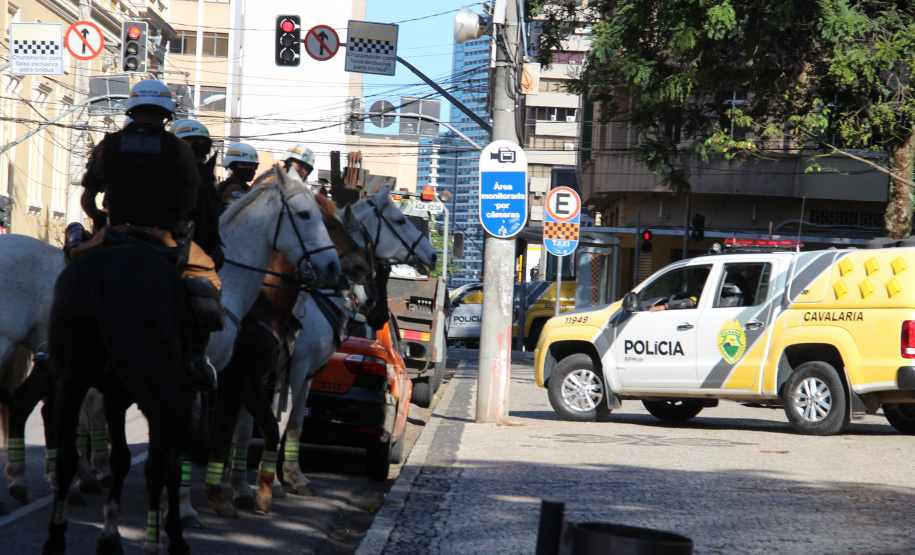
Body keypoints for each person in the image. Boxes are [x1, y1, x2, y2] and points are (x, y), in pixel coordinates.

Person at [70, 79, 221, 392]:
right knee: (209, 281)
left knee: (71, 265)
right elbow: (191, 203)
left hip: (113, 235)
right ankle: (194, 357)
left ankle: (50, 345)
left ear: (132, 109)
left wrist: (102, 221)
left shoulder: (107, 145)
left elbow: (86, 201)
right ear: (166, 114)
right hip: (161, 239)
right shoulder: (178, 149)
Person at [170, 118, 223, 269]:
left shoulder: (206, 177)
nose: (197, 147)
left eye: (203, 143)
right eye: (191, 142)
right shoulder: (166, 173)